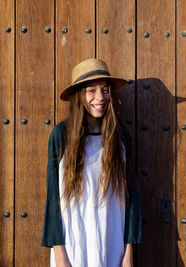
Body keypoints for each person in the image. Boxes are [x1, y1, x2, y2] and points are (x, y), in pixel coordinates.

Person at [41, 58, 142, 267]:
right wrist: (59, 253)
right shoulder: (61, 136)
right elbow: (53, 198)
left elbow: (131, 198)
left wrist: (128, 252)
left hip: (112, 245)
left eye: (105, 90)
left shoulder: (120, 138)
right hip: (73, 245)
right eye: (91, 91)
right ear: (79, 96)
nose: (100, 97)